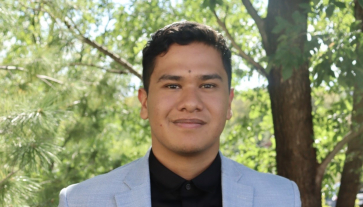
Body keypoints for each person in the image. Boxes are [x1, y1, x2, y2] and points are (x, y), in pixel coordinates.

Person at [58, 21, 301, 207]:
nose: (190, 103)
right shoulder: (80, 201)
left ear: (228, 103)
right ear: (144, 103)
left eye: (207, 85)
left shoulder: (282, 197)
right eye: (172, 85)